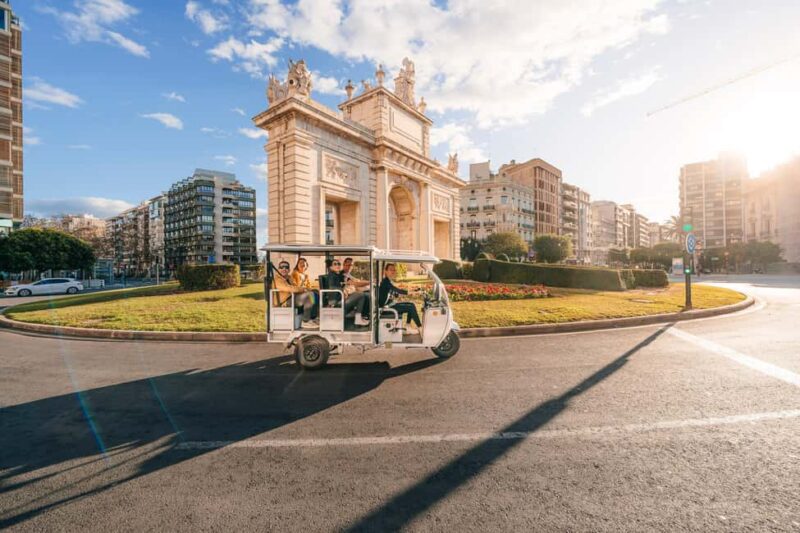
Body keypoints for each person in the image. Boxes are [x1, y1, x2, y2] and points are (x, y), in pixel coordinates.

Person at [272, 260, 317, 329]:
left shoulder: (289, 278)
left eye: (286, 267)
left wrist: (305, 289)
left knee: (313, 294)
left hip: (292, 297)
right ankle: (305, 321)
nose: (284, 269)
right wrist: (303, 289)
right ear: (278, 269)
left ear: (289, 269)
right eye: (282, 267)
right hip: (284, 302)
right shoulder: (277, 279)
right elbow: (288, 288)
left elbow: (296, 286)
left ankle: (312, 317)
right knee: (309, 295)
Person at [325, 259, 370, 326]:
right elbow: (332, 288)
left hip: (340, 297)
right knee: (360, 295)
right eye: (335, 264)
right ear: (330, 267)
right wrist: (344, 291)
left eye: (338, 264)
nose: (338, 265)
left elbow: (345, 284)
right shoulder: (332, 276)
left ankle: (358, 317)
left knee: (360, 294)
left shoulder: (336, 275)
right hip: (336, 301)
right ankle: (358, 318)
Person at [379, 263, 421, 333]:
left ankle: (408, 327)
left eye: (394, 270)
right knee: (410, 307)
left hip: (390, 305)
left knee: (411, 304)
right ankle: (420, 328)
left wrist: (413, 290)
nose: (393, 272)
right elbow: (397, 290)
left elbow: (394, 293)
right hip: (385, 308)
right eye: (390, 270)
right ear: (385, 271)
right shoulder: (385, 282)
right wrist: (410, 292)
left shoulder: (388, 281)